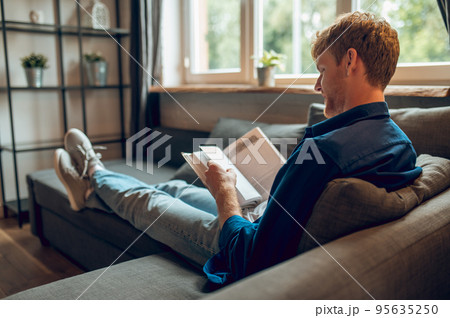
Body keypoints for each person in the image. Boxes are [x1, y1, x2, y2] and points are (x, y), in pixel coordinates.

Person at [54, 11, 422, 286]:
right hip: (266, 219)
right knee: (174, 187)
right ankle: (91, 186)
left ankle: (93, 176)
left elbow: (252, 259)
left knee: (149, 201)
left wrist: (225, 192)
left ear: (350, 61)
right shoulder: (399, 142)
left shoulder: (326, 151)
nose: (316, 85)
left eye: (321, 69)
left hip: (242, 242)